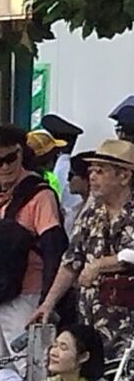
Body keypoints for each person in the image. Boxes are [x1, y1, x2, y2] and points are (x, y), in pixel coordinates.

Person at [0, 124, 66, 375]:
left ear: (21, 153)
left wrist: (47, 302)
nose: (5, 167)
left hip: (27, 295)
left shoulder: (40, 195)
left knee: (30, 367)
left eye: (10, 158)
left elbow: (54, 250)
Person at [34, 139, 134, 357]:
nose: (92, 177)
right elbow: (71, 261)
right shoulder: (91, 212)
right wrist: (48, 303)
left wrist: (100, 265)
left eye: (100, 171)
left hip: (128, 325)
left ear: (124, 177)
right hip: (92, 323)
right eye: (91, 171)